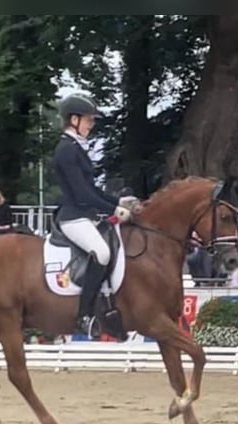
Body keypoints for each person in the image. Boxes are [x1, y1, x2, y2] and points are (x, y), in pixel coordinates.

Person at [51, 92, 139, 337]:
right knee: (101, 253)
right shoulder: (66, 150)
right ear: (74, 119)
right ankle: (84, 315)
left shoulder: (76, 148)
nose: (92, 124)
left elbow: (92, 190)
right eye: (88, 120)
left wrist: (119, 201)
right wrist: (114, 210)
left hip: (85, 214)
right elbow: (81, 194)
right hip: (73, 217)